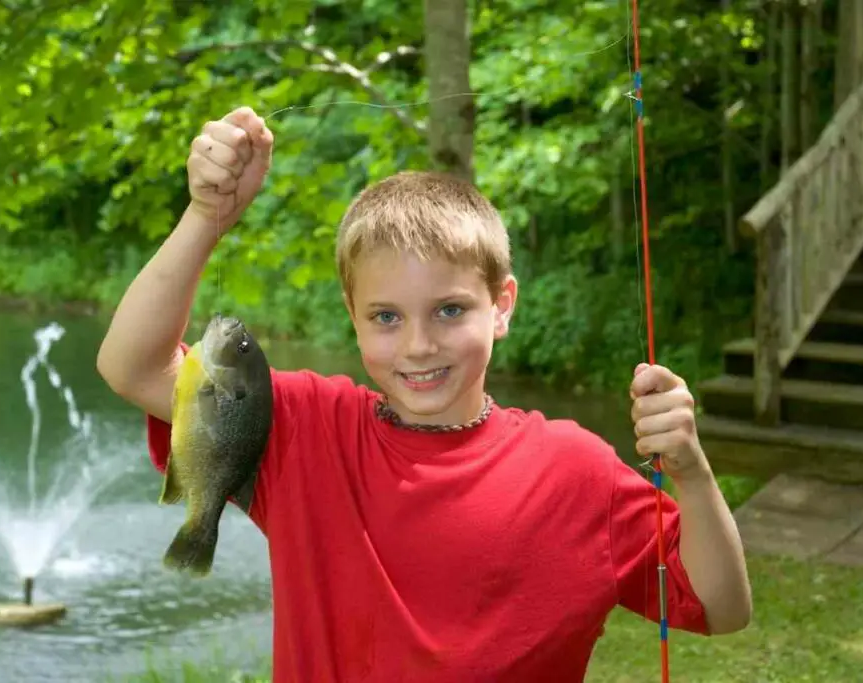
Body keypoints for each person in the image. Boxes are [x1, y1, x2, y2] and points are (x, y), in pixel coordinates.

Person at [97, 106, 752, 682]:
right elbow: (132, 365)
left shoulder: (576, 472)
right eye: (387, 316)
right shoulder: (307, 430)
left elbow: (721, 606)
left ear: (502, 306)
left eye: (448, 310)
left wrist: (691, 474)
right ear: (352, 316)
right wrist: (207, 217)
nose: (418, 345)